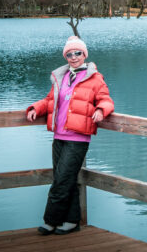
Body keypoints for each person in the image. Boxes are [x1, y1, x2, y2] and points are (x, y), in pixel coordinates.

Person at [26, 35, 114, 235]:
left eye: (78, 53)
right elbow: (50, 100)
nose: (74, 57)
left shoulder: (94, 78)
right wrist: (35, 109)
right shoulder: (62, 76)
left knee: (61, 181)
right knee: (66, 179)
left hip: (78, 138)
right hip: (59, 136)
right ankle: (72, 221)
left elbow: (106, 99)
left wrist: (101, 110)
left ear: (84, 54)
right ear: (66, 56)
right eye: (69, 54)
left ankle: (50, 221)